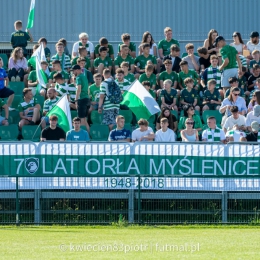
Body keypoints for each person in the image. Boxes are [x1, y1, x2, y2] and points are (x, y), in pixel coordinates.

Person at [73, 64, 90, 132]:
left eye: (74, 71)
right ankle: (88, 135)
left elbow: (78, 89)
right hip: (87, 99)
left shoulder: (79, 77)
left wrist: (76, 99)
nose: (73, 72)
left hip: (82, 99)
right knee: (85, 120)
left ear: (77, 70)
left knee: (81, 119)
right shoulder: (84, 76)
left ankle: (83, 136)